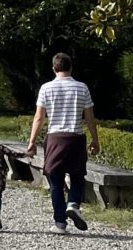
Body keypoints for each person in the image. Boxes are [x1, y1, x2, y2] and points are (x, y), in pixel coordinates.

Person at [26, 52, 99, 234]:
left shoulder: (46, 88)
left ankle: (60, 223)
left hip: (55, 138)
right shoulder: (82, 88)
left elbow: (39, 117)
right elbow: (89, 118)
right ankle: (73, 203)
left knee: (55, 181)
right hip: (76, 138)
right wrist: (95, 139)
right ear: (71, 68)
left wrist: (32, 141)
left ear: (54, 68)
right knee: (78, 176)